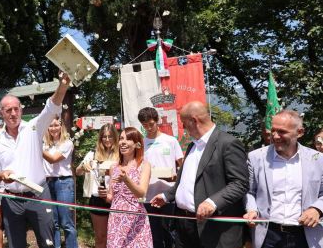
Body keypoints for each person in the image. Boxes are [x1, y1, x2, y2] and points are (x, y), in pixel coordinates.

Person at [0, 72, 71, 248]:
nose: (13, 113)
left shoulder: (34, 128)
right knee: (16, 245)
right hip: (11, 199)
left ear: (21, 110)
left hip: (38, 195)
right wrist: (0, 174)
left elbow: (51, 107)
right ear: (1, 113)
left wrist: (62, 85)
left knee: (47, 244)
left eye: (16, 109)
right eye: (8, 110)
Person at [151, 101, 249, 248]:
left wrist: (213, 202)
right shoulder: (192, 146)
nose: (183, 128)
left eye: (184, 123)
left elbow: (240, 183)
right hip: (184, 226)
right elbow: (185, 180)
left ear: (194, 120)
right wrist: (167, 196)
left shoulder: (228, 143)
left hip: (214, 229)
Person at [243, 110, 323, 248]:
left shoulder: (318, 159)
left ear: (300, 132)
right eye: (273, 130)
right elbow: (249, 191)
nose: (275, 136)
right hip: (268, 235)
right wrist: (252, 209)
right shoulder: (256, 157)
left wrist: (317, 209)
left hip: (307, 236)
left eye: (282, 132)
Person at [138, 107, 183, 248]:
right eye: (145, 125)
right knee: (153, 235)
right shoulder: (141, 144)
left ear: (157, 121)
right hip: (148, 196)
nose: (148, 128)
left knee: (171, 234)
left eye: (151, 124)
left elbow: (182, 166)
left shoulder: (170, 141)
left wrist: (175, 177)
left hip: (168, 195)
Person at [106, 127, 152, 247]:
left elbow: (142, 193)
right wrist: (104, 194)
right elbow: (110, 197)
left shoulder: (144, 165)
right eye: (121, 138)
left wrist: (126, 180)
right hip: (116, 219)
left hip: (135, 219)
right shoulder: (113, 167)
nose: (123, 142)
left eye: (128, 139)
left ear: (137, 144)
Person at [76, 123, 119, 248]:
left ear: (115, 138)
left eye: (110, 136)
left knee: (116, 236)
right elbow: (77, 172)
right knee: (100, 236)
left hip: (117, 198)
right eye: (104, 137)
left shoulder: (120, 155)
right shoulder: (92, 154)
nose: (107, 139)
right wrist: (84, 167)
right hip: (98, 199)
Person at [42, 116, 77, 248]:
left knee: (66, 222)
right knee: (53, 222)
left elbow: (53, 159)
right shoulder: (45, 144)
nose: (53, 128)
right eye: (50, 126)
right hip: (48, 183)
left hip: (63, 183)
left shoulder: (67, 143)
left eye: (56, 125)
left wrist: (38, 149)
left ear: (61, 126)